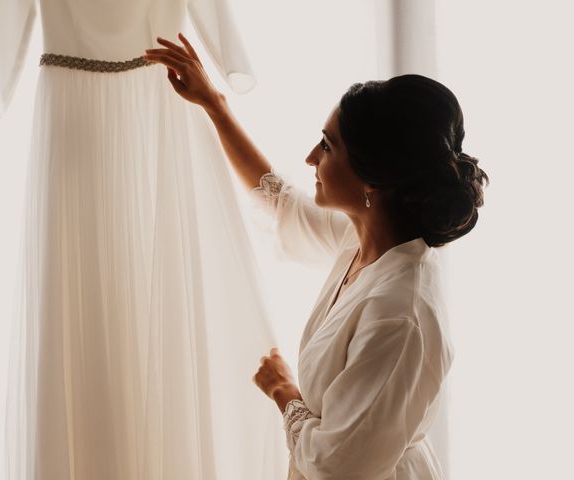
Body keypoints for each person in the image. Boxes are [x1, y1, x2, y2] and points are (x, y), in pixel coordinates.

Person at [144, 33, 488, 480]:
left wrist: (284, 391)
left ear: (373, 176)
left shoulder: (400, 313)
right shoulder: (364, 239)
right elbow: (279, 201)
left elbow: (339, 466)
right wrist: (214, 105)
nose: (310, 158)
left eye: (327, 146)